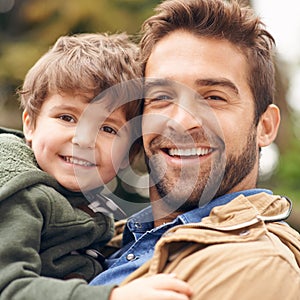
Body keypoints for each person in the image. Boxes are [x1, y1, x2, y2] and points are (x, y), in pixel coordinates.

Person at [90, 0, 300, 298]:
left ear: (265, 127)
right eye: (162, 97)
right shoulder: (96, 239)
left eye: (214, 97)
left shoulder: (256, 268)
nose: (182, 122)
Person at [0, 33, 192, 300]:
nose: (83, 139)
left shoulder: (94, 205)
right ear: (30, 125)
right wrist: (112, 297)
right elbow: (8, 288)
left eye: (107, 128)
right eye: (67, 117)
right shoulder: (21, 195)